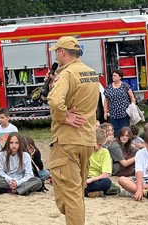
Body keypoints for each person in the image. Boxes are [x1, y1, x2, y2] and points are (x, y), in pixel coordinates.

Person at [47, 36, 99, 225]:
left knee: (69, 195)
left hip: (67, 140)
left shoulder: (68, 74)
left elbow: (54, 101)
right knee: (75, 194)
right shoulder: (91, 73)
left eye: (56, 52)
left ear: (62, 52)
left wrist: (64, 116)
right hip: (86, 139)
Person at [103, 69, 136, 136]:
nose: (113, 77)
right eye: (113, 76)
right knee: (115, 132)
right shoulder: (109, 88)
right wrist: (105, 112)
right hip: (113, 114)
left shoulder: (125, 86)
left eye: (115, 76)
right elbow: (106, 100)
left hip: (124, 113)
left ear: (120, 77)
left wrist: (133, 108)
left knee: (124, 130)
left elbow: (132, 97)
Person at [85, 128, 112, 198]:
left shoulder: (105, 152)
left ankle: (85, 192)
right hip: (82, 178)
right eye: (95, 143)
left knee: (107, 182)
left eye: (99, 145)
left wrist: (91, 180)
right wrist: (82, 179)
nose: (96, 147)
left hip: (95, 180)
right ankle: (90, 193)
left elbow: (105, 174)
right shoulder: (85, 149)